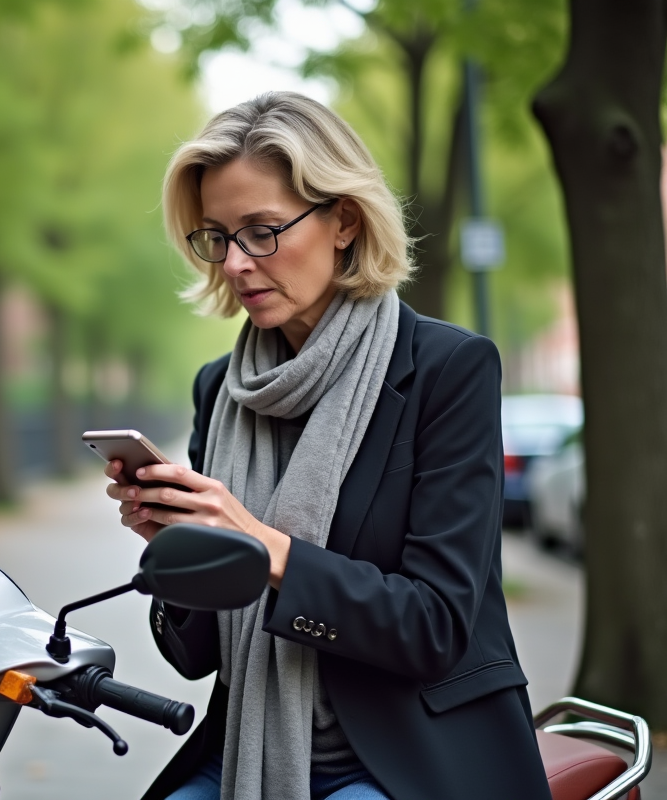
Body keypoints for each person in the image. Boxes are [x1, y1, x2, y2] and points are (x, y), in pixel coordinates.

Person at [103, 92, 552, 800]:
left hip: (406, 754)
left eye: (261, 231)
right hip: (246, 751)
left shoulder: (448, 370)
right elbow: (193, 657)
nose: (235, 265)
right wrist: (176, 547)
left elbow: (434, 626)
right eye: (216, 237)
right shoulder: (220, 388)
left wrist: (261, 546)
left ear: (343, 220)